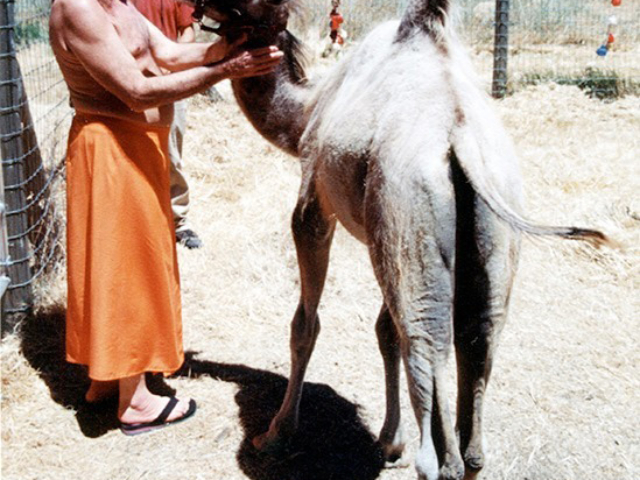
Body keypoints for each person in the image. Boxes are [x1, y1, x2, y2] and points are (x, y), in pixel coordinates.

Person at [49, 0, 282, 435]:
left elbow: (169, 54)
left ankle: (109, 378)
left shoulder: (117, 4)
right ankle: (134, 402)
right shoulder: (78, 7)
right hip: (110, 150)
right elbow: (135, 91)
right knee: (124, 270)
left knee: (132, 265)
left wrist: (226, 48)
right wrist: (224, 72)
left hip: (140, 147)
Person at [131, 0, 203, 249]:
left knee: (170, 152)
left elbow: (187, 30)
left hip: (170, 80)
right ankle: (140, 220)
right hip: (129, 77)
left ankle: (178, 221)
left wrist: (171, 70)